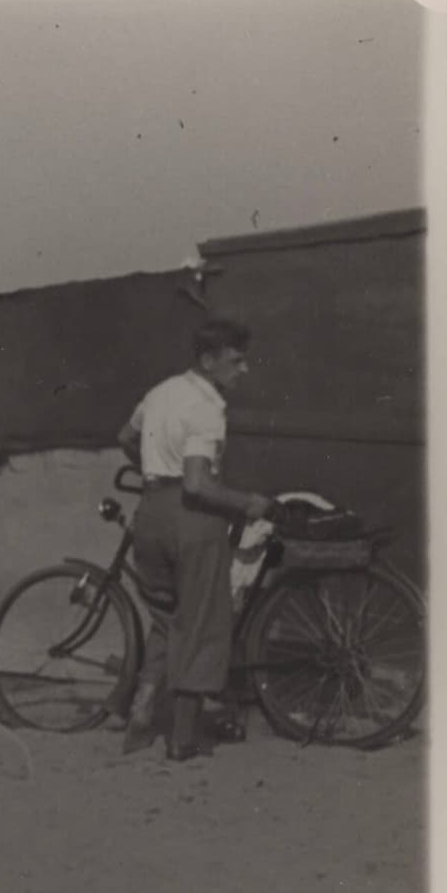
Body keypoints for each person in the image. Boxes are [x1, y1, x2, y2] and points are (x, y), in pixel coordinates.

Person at [116, 318, 276, 761]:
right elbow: (197, 483)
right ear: (209, 361)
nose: (243, 370)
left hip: (150, 514)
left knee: (167, 618)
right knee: (203, 624)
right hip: (193, 521)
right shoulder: (209, 408)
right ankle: (183, 740)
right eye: (235, 361)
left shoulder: (161, 392)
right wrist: (246, 503)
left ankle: (143, 710)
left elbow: (125, 436)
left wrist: (153, 465)